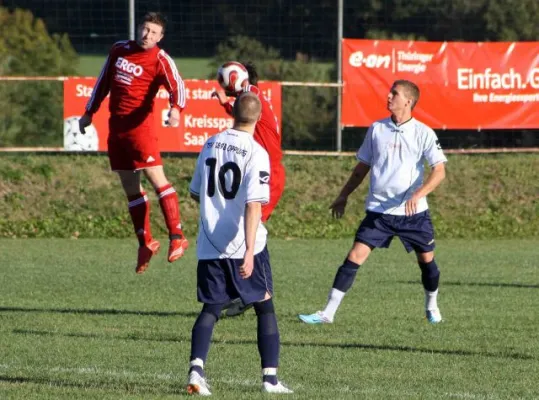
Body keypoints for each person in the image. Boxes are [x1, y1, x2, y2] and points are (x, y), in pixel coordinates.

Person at [299, 79, 447, 325]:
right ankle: (327, 313)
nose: (389, 96)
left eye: (395, 93)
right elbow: (361, 168)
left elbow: (439, 171)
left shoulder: (423, 133)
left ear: (408, 101)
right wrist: (343, 195)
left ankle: (431, 304)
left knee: (427, 262)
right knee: (354, 256)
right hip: (379, 212)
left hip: (413, 214)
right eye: (390, 92)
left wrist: (418, 194)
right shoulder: (377, 129)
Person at [186, 92, 292, 395]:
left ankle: (196, 370)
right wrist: (248, 252)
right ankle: (270, 380)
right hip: (245, 245)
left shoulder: (210, 143)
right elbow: (253, 205)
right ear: (258, 118)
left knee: (211, 308)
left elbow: (195, 192)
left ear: (232, 112)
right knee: (265, 306)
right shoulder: (256, 152)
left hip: (210, 243)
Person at [78, 12, 189, 274]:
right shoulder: (119, 50)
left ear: (160, 37)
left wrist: (176, 110)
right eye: (145, 29)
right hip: (117, 131)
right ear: (139, 28)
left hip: (141, 131)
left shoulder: (160, 59)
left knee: (156, 178)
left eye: (153, 32)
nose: (147, 35)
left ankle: (176, 236)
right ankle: (145, 243)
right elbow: (102, 82)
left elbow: (178, 87)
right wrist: (88, 112)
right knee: (131, 189)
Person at [213, 61, 285, 317]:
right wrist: (226, 99)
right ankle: (242, 293)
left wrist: (225, 98)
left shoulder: (251, 94)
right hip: (260, 172)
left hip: (268, 175)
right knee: (243, 230)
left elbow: (243, 107)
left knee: (250, 232)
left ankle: (251, 294)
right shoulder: (252, 94)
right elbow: (242, 112)